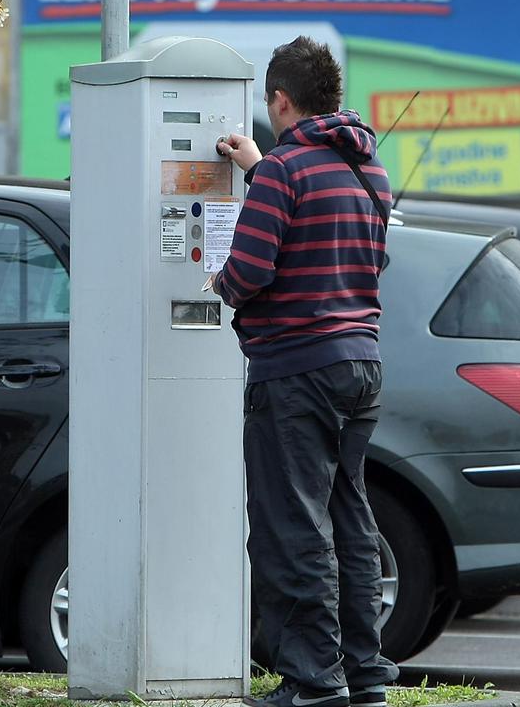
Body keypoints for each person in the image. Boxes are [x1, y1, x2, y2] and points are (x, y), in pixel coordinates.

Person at [213, 36, 400, 707]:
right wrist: (259, 167)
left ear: (281, 100)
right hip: (361, 365)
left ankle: (313, 681)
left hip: (296, 370)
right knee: (349, 520)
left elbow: (248, 272)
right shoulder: (369, 171)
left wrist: (218, 282)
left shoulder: (285, 172)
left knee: (291, 527)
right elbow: (360, 257)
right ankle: (365, 672)